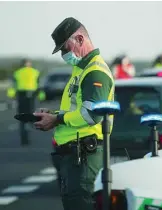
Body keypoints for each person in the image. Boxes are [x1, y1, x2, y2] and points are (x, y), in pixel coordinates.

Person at [33, 17, 115, 210]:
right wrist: (53, 114)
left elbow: (91, 114)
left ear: (79, 39)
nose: (63, 54)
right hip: (76, 157)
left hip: (85, 156)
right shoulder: (81, 69)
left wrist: (57, 119)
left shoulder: (95, 72)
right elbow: (76, 109)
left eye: (64, 48)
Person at [7, 59, 45, 144]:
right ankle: (29, 126)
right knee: (31, 113)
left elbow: (13, 85)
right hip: (32, 95)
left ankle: (24, 133)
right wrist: (41, 95)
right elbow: (39, 85)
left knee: (21, 114)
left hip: (21, 95)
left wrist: (11, 95)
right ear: (30, 64)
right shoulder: (35, 72)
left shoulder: (17, 73)